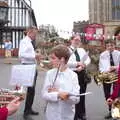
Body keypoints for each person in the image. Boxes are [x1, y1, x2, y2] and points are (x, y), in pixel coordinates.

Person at [42, 44, 80, 120]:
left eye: (53, 58)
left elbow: (76, 99)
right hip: (52, 114)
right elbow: (44, 94)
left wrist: (59, 92)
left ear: (62, 59)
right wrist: (59, 94)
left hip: (67, 115)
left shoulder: (73, 76)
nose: (51, 61)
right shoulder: (50, 73)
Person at [67, 35, 91, 120]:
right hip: (72, 73)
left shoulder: (81, 50)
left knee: (82, 94)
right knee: (74, 95)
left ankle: (82, 113)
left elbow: (88, 59)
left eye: (79, 40)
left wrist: (83, 65)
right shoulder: (67, 50)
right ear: (71, 40)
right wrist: (77, 64)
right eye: (76, 40)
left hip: (81, 73)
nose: (77, 41)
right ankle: (74, 115)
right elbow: (67, 62)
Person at [18, 27, 40, 118]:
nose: (35, 36)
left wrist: (35, 56)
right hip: (27, 66)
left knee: (32, 90)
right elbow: (21, 54)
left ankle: (29, 108)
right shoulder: (24, 41)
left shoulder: (30, 42)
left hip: (32, 66)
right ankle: (26, 112)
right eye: (34, 34)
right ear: (30, 32)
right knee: (29, 90)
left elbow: (29, 54)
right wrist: (34, 55)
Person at [99, 39, 120, 119]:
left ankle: (116, 113)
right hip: (107, 76)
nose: (110, 47)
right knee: (107, 95)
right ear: (106, 46)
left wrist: (115, 67)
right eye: (108, 46)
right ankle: (110, 111)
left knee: (116, 94)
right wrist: (105, 71)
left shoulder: (119, 54)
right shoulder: (102, 55)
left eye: (111, 45)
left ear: (114, 45)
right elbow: (100, 67)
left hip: (117, 75)